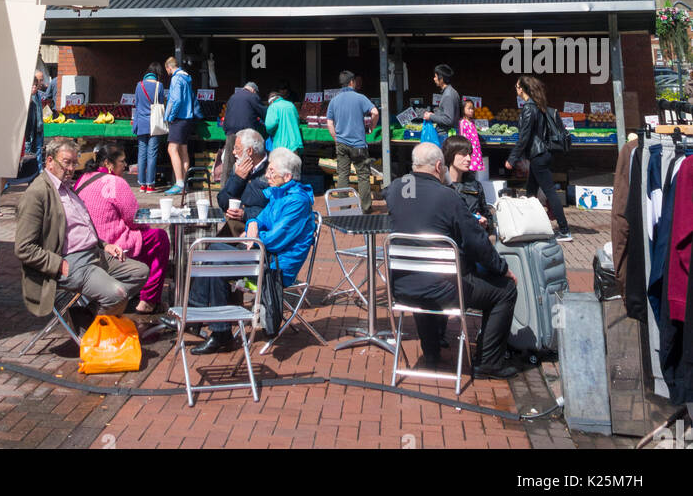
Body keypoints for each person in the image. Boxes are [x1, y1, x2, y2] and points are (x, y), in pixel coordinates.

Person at [384, 142, 519, 379]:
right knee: (505, 291)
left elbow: (403, 205)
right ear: (439, 166)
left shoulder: (395, 188)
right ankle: (489, 362)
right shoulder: (448, 196)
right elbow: (476, 242)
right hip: (444, 289)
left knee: (423, 281)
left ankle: (432, 352)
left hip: (402, 288)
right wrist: (502, 269)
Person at [191, 148, 315, 355]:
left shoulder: (296, 202)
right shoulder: (280, 194)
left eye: (272, 172)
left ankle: (214, 329)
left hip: (276, 266)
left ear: (287, 176)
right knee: (213, 249)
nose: (267, 175)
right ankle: (206, 319)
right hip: (264, 255)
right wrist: (253, 226)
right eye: (268, 170)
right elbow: (259, 219)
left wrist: (253, 237)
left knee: (216, 261)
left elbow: (276, 240)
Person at [15, 137, 150, 322]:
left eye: (74, 163)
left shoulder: (66, 187)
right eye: (66, 162)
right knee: (117, 294)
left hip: (94, 253)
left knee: (140, 272)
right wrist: (57, 264)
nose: (71, 168)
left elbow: (81, 226)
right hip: (71, 261)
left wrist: (105, 245)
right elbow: (24, 248)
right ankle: (95, 330)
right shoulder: (37, 194)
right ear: (49, 161)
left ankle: (87, 315)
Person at [75, 144, 170, 314]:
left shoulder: (83, 179)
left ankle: (137, 292)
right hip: (110, 242)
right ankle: (148, 299)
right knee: (159, 237)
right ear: (108, 164)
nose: (125, 165)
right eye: (122, 161)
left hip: (88, 241)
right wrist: (146, 226)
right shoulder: (116, 182)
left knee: (148, 237)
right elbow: (134, 219)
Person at [504, 76, 572, 240]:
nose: (515, 88)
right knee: (531, 192)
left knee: (549, 192)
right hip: (542, 154)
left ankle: (564, 230)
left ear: (522, 89)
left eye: (517, 86)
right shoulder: (538, 106)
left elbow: (524, 137)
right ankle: (529, 225)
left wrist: (512, 159)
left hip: (538, 155)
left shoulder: (529, 108)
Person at [326, 71, 379, 213]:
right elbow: (375, 112)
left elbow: (329, 122)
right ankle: (366, 207)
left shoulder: (334, 101)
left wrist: (335, 137)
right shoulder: (360, 98)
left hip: (341, 144)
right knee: (363, 175)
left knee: (343, 174)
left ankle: (344, 207)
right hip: (359, 144)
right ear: (351, 82)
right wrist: (371, 128)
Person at [163, 55, 200, 194]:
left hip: (178, 118)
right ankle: (183, 183)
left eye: (167, 69)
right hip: (188, 119)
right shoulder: (187, 78)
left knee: (172, 149)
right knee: (183, 150)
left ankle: (178, 183)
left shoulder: (176, 78)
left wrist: (171, 116)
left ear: (169, 67)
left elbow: (176, 100)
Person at [217, 128, 269, 225]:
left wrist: (246, 214)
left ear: (249, 151)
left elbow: (276, 211)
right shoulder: (238, 168)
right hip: (236, 227)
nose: (233, 152)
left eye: (237, 148)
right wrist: (237, 179)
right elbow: (222, 202)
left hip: (260, 229)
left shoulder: (272, 170)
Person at [221, 80, 267, 183]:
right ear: (253, 90)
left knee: (229, 161)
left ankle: (224, 186)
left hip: (231, 132)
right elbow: (264, 113)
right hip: (245, 134)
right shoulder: (252, 96)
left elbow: (227, 114)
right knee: (246, 159)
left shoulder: (233, 97)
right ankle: (245, 186)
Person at [443, 135, 493, 230]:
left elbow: (488, 218)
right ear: (450, 155)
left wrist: (485, 223)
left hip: (471, 239)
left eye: (469, 154)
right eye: (463, 154)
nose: (469, 159)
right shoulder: (439, 185)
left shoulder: (475, 186)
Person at [132, 61, 167, 192]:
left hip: (141, 123)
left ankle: (141, 184)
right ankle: (150, 185)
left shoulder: (139, 85)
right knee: (152, 154)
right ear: (157, 74)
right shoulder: (159, 85)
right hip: (155, 123)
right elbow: (161, 102)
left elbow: (137, 103)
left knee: (142, 153)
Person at [422, 64, 461, 137]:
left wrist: (431, 117)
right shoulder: (451, 92)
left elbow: (448, 120)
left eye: (435, 76)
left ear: (441, 79)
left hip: (445, 135)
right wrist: (433, 115)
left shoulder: (448, 95)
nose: (434, 79)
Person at [265, 88, 303, 153]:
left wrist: (271, 133)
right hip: (295, 144)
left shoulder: (273, 106)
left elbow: (269, 126)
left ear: (271, 101)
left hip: (281, 145)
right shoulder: (291, 105)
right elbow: (297, 121)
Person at [23, 72, 46, 175]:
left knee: (38, 151)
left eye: (36, 85)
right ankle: (26, 172)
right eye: (33, 85)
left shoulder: (37, 96)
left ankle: (37, 171)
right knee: (27, 153)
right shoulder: (27, 97)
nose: (35, 87)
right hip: (29, 131)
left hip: (38, 128)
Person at [458, 98, 485, 174]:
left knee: (473, 171)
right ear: (463, 110)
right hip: (468, 151)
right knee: (467, 170)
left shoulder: (472, 122)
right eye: (469, 108)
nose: (471, 110)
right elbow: (462, 137)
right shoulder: (462, 122)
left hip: (475, 151)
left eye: (472, 108)